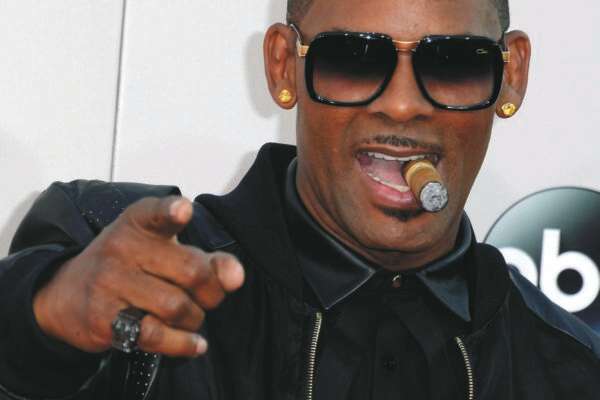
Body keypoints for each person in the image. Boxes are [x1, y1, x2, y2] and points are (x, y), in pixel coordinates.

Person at [1, 0, 599, 399]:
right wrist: (46, 320)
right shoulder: (120, 256)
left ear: (511, 75)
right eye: (352, 59)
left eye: (453, 63)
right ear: (284, 66)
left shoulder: (572, 371)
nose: (401, 104)